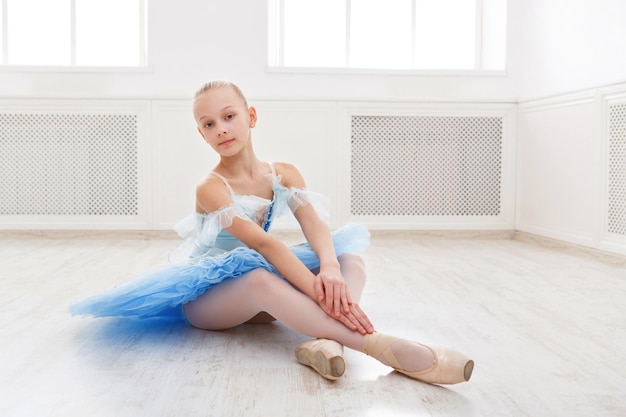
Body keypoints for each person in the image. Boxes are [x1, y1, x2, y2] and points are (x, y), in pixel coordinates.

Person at [70, 80, 474, 384]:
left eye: (229, 116)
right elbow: (262, 243)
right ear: (202, 134)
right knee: (259, 276)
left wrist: (329, 268)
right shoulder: (210, 187)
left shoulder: (283, 173)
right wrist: (321, 293)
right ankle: (378, 345)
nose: (221, 129)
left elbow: (313, 222)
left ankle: (326, 340)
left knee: (350, 258)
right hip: (212, 300)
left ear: (251, 117)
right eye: (209, 124)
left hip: (264, 299)